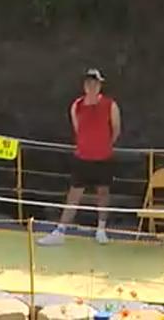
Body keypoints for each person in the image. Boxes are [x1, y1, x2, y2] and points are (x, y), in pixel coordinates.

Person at [40, 69, 123, 246]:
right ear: (85, 86)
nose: (92, 86)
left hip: (103, 157)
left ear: (100, 86)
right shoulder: (76, 106)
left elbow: (116, 129)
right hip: (82, 157)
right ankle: (60, 231)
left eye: (96, 83)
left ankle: (101, 230)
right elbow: (78, 129)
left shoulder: (110, 105)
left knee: (103, 193)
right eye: (89, 83)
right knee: (74, 194)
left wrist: (105, 145)